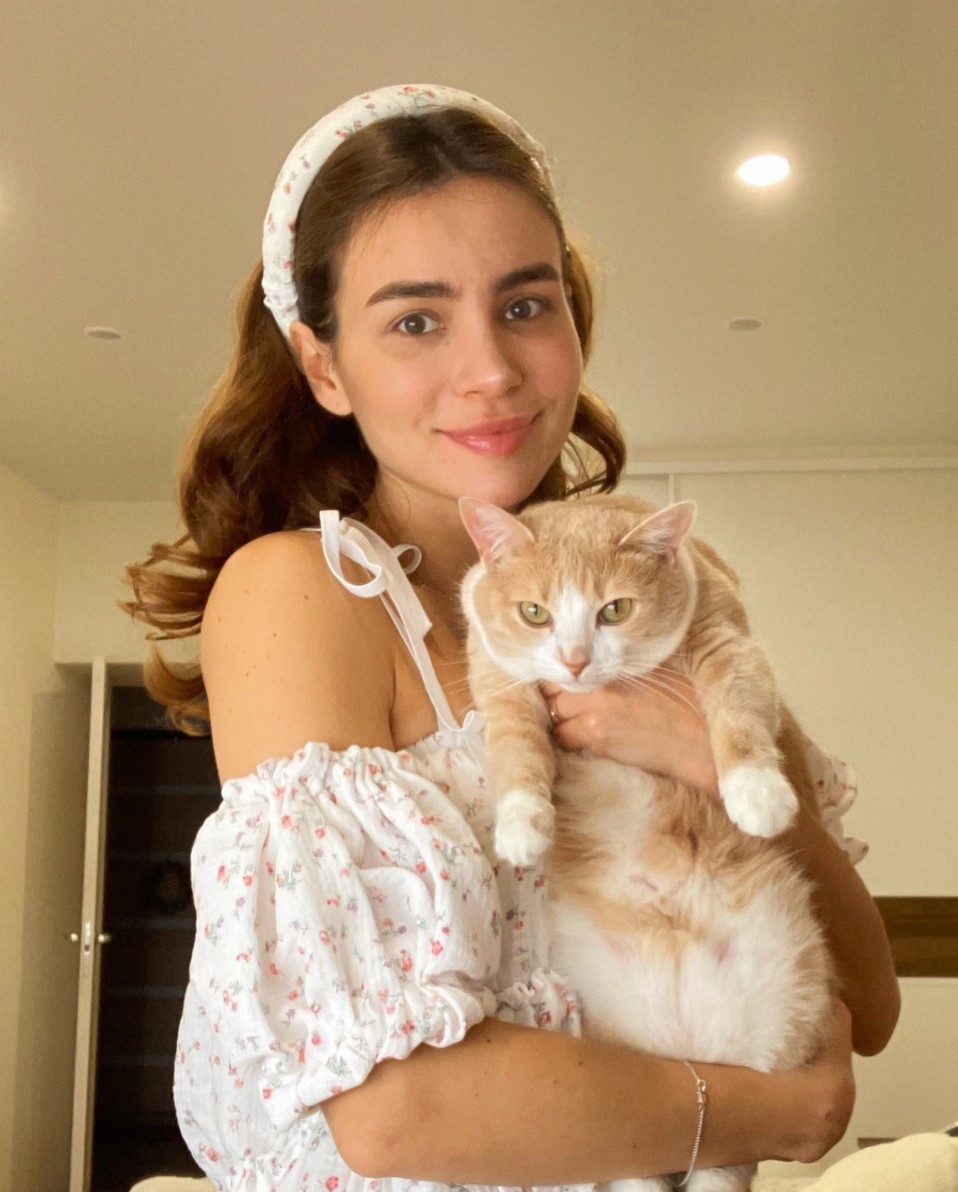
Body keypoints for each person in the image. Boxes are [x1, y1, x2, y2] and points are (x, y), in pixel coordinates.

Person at [126, 83, 900, 1190]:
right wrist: (769, 1111)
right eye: (416, 320)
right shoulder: (302, 593)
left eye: (527, 304)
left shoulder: (651, 588)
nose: (490, 368)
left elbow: (867, 999)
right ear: (323, 366)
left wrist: (707, 757)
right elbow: (392, 1109)